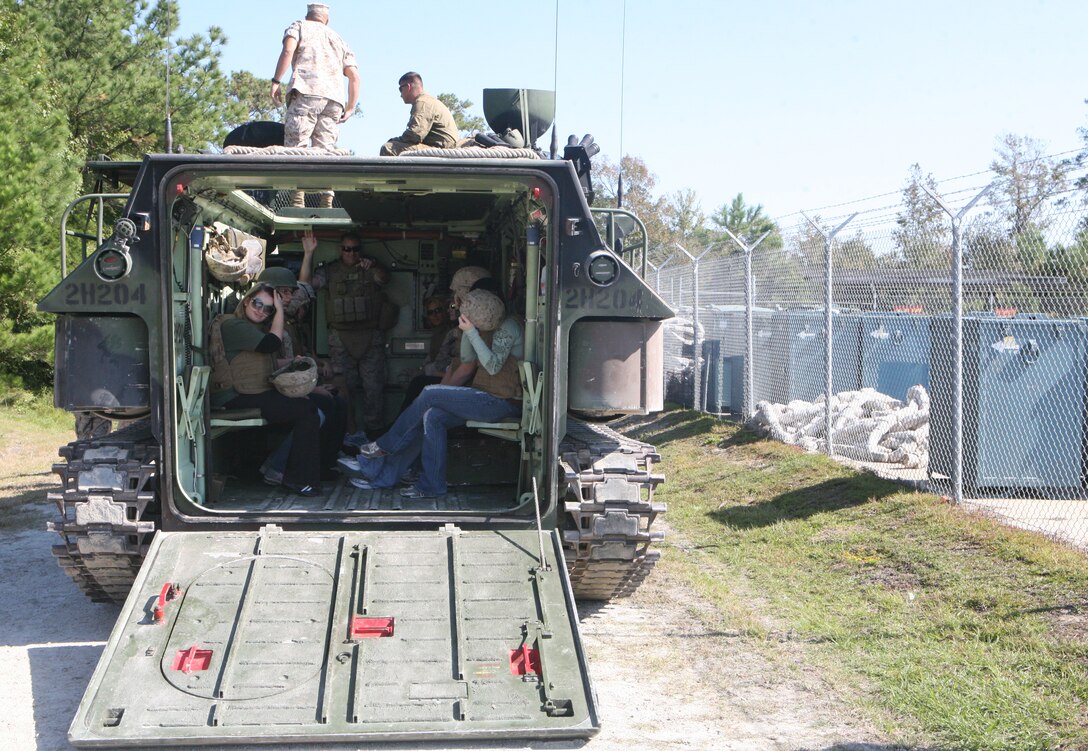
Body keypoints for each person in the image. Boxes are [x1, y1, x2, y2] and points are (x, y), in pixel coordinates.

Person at [344, 288, 523, 499]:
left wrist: (472, 332)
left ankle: (384, 445)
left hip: (502, 402)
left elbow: (492, 366)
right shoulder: (485, 327)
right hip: (483, 397)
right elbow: (467, 358)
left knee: (429, 393)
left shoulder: (508, 326)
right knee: (433, 416)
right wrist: (467, 327)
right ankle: (418, 483)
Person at [208, 285, 338, 497]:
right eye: (258, 304)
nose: (261, 311)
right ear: (247, 301)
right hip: (234, 396)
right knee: (306, 411)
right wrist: (279, 310)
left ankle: (314, 470)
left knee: (316, 405)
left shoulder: (252, 327)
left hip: (253, 391)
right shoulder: (233, 325)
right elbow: (271, 343)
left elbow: (264, 363)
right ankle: (299, 479)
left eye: (268, 309)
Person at [253, 267, 348, 486]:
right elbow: (274, 370)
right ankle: (278, 466)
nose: (289, 298)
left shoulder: (286, 325)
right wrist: (314, 389)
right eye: (283, 292)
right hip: (268, 389)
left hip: (282, 387)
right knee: (320, 408)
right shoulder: (266, 325)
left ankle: (323, 464)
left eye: (290, 293)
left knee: (336, 403)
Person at [299, 229, 393, 433]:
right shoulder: (330, 271)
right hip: (340, 339)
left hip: (371, 337)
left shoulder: (371, 268)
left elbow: (385, 278)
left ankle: (374, 434)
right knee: (342, 388)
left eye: (355, 249)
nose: (351, 253)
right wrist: (308, 254)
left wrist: (374, 264)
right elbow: (305, 285)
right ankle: (346, 433)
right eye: (346, 249)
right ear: (340, 250)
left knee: (374, 389)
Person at [271, 3, 360, 207]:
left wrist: (276, 81)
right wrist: (351, 107)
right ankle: (326, 198)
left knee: (297, 147)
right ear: (326, 20)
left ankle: (297, 199)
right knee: (326, 151)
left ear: (308, 15)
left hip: (306, 92)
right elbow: (354, 76)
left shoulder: (299, 26)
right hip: (334, 100)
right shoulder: (339, 39)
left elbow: (287, 50)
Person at [398, 293, 455, 413]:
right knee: (406, 376)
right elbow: (431, 358)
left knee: (418, 383)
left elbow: (444, 364)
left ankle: (402, 422)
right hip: (438, 373)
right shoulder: (436, 334)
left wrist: (426, 371)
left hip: (449, 377)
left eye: (438, 310)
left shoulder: (452, 333)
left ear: (445, 311)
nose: (435, 315)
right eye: (430, 312)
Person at [379, 72, 460, 156]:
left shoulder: (422, 102)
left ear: (408, 87)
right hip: (441, 147)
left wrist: (396, 140)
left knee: (388, 148)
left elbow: (415, 134)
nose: (400, 94)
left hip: (441, 150)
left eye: (401, 89)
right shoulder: (428, 101)